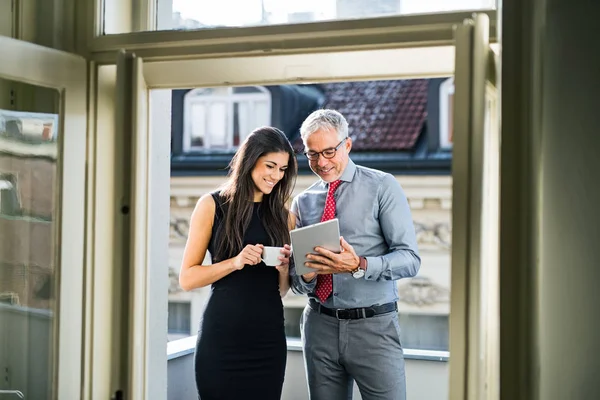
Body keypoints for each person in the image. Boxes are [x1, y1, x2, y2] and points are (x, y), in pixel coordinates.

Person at [290, 109, 421, 400]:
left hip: (374, 327)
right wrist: (308, 274)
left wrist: (359, 265)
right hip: (319, 325)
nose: (321, 163)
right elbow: (298, 283)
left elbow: (410, 259)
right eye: (312, 155)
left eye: (328, 151)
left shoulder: (382, 186)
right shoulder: (303, 202)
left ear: (347, 145)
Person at [179, 126, 297, 400]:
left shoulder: (285, 218)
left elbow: (281, 291)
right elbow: (187, 279)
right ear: (250, 160)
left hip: (268, 341)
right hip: (222, 340)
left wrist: (283, 271)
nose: (276, 176)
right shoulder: (211, 206)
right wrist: (235, 262)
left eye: (282, 169)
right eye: (270, 166)